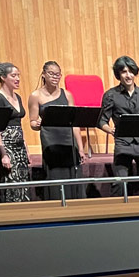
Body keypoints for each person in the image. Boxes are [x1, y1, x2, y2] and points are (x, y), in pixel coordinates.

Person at [99, 55, 139, 195]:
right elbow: (101, 120)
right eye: (124, 72)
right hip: (122, 143)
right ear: (118, 74)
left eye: (131, 71)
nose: (128, 75)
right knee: (120, 182)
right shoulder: (110, 95)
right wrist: (110, 130)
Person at [28, 60, 88, 200]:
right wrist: (36, 124)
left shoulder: (67, 95)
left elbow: (75, 124)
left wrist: (80, 148)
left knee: (73, 176)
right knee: (56, 177)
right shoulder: (35, 96)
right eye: (51, 74)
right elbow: (32, 122)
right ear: (44, 74)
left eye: (58, 75)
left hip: (68, 141)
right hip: (51, 142)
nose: (55, 77)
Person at [0, 62, 31, 203]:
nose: (17, 79)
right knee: (11, 181)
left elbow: (18, 125)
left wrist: (26, 148)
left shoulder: (17, 97)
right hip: (5, 145)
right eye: (14, 76)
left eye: (18, 75)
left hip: (18, 145)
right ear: (3, 78)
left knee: (23, 181)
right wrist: (4, 154)